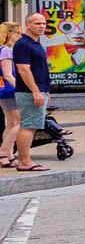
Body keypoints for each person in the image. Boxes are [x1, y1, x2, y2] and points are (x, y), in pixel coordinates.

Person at [12, 12, 53, 172]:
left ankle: (25, 160)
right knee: (28, 125)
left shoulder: (35, 43)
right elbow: (23, 70)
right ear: (28, 25)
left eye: (43, 23)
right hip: (29, 92)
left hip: (38, 90)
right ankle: (24, 161)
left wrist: (45, 90)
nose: (42, 26)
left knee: (32, 125)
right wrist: (36, 91)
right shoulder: (23, 44)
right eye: (37, 23)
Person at [0, 21, 19, 168]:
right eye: (18, 33)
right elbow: (7, 75)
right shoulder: (6, 50)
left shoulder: (2, 49)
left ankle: (9, 155)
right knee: (18, 123)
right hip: (10, 91)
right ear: (11, 34)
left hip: (4, 91)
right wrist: (21, 88)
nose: (20, 35)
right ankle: (2, 153)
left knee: (11, 123)